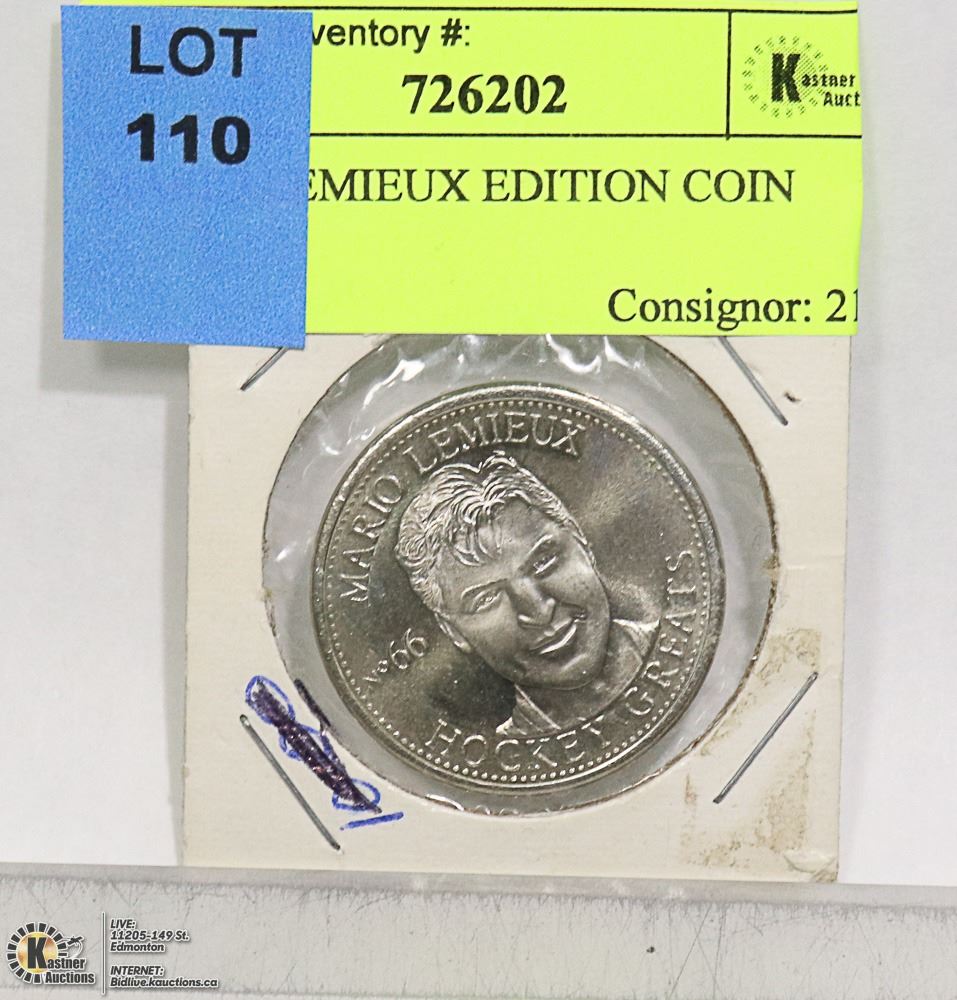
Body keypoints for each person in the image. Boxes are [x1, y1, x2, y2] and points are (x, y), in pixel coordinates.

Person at [395, 452, 658, 737]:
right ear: (453, 631)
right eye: (487, 598)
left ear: (581, 540)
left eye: (543, 561)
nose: (539, 611)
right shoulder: (496, 760)